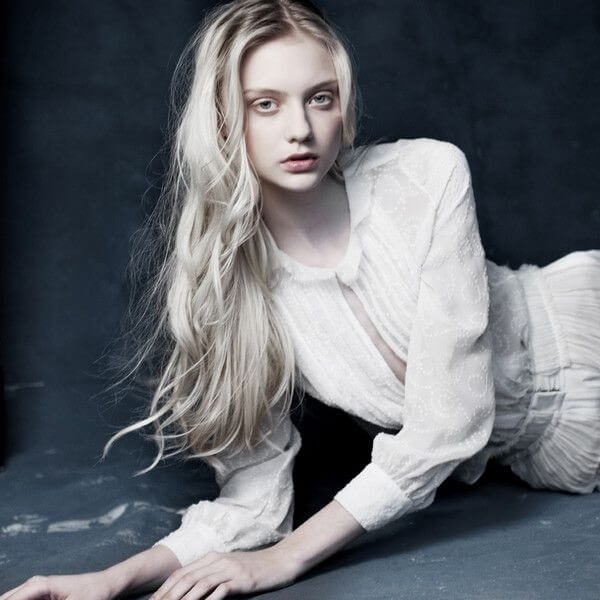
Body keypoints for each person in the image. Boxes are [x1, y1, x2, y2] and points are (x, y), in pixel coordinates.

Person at [3, 0, 600, 598]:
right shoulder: (235, 290)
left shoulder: (426, 177)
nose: (301, 129)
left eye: (320, 98)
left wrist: (284, 561)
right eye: (265, 104)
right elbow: (253, 506)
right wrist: (111, 581)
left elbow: (447, 425)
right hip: (552, 459)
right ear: (221, 121)